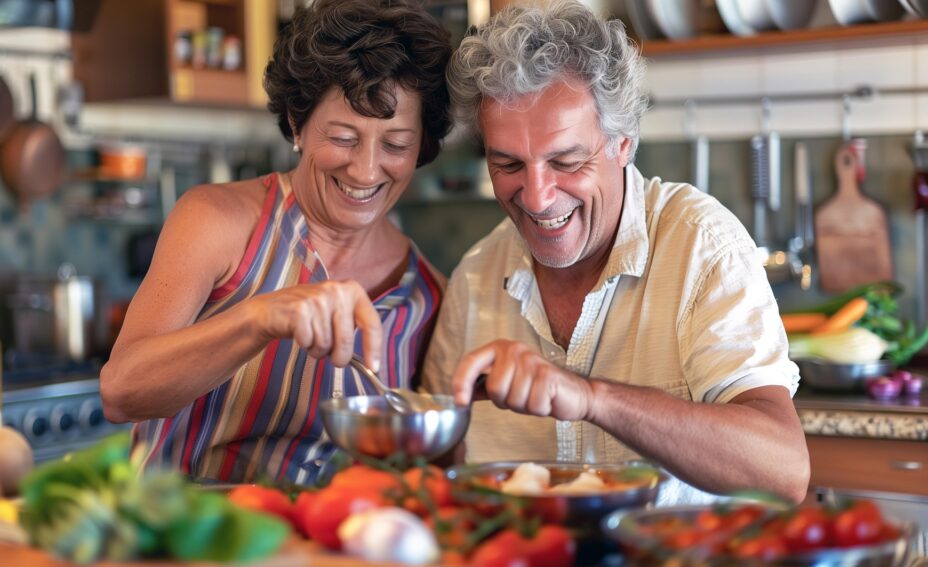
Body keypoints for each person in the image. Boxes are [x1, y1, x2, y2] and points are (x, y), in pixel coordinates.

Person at [423, 0, 809, 504]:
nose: (536, 197)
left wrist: (592, 398)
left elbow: (782, 471)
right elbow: (434, 468)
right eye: (508, 165)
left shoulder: (701, 246)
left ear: (622, 143)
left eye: (566, 161)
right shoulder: (476, 275)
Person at [100, 0, 451, 484]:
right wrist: (259, 318)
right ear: (296, 124)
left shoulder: (428, 294)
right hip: (186, 526)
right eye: (344, 137)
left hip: (334, 532)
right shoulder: (217, 221)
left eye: (395, 144)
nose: (366, 170)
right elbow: (122, 392)